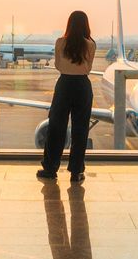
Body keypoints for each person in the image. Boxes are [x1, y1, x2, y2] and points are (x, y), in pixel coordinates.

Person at [38, 10, 96, 183]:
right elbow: (89, 67)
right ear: (86, 25)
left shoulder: (60, 42)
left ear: (69, 24)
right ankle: (76, 171)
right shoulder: (90, 44)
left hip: (64, 85)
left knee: (56, 127)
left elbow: (57, 65)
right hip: (82, 86)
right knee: (80, 130)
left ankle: (50, 168)